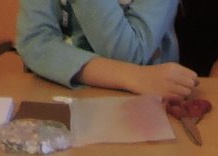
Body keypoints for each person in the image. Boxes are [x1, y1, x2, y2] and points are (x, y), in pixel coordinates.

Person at [16, 0, 197, 97]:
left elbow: (130, 54)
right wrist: (133, 76)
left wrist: (135, 75)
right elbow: (35, 41)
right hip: (59, 93)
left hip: (139, 104)